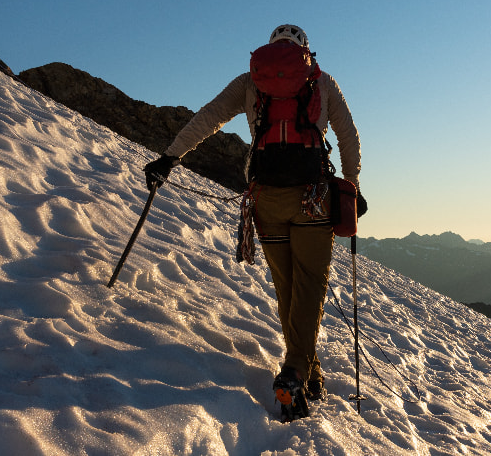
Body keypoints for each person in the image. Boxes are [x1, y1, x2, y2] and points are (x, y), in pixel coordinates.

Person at [144, 24, 361, 420]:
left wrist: (170, 157)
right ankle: (296, 370)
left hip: (266, 199)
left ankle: (308, 371)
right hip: (313, 198)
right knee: (309, 283)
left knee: (287, 286)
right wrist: (352, 183)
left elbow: (209, 117)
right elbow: (348, 137)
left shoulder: (250, 82)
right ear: (305, 51)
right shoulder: (322, 82)